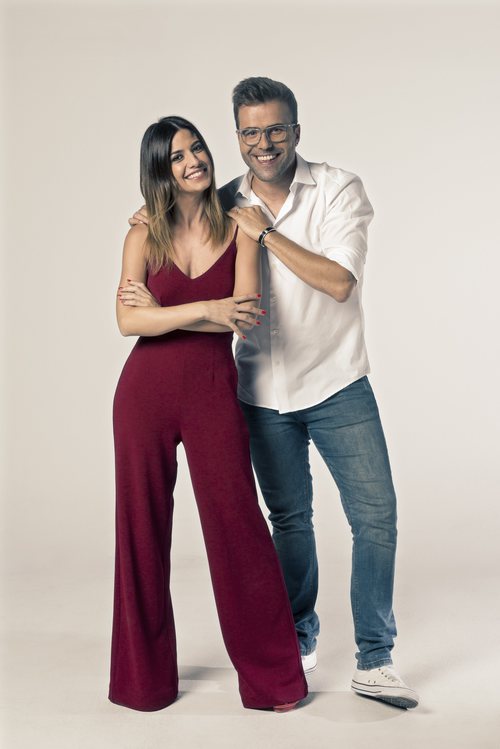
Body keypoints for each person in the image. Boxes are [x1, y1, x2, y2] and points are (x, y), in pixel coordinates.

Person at [130, 79, 419, 710]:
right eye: (251, 132)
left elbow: (339, 281)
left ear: (296, 130)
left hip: (337, 382)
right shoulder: (221, 200)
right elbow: (176, 221)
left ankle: (375, 659)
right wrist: (151, 213)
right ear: (237, 137)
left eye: (276, 129)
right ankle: (297, 640)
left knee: (376, 517)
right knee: (289, 520)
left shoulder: (338, 188)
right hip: (260, 391)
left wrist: (265, 234)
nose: (264, 143)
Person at [110, 114, 308, 713]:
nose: (193, 161)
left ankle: (272, 680)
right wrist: (206, 309)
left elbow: (243, 314)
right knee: (140, 532)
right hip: (142, 395)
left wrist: (172, 313)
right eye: (176, 156)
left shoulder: (241, 226)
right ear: (159, 171)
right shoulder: (143, 235)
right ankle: (142, 684)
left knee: (237, 526)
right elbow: (128, 322)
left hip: (212, 391)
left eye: (196, 148)